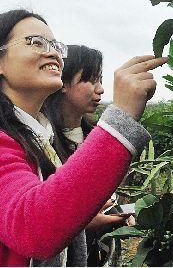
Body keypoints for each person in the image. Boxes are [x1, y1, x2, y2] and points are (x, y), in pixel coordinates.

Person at [0, 9, 167, 266]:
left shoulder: (38, 139)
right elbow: (33, 228)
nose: (53, 52)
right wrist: (121, 118)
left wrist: (82, 220)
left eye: (55, 45)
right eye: (35, 42)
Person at [43, 45, 127, 266]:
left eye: (100, 80)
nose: (100, 90)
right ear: (62, 82)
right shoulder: (42, 143)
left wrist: (114, 212)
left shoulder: (96, 138)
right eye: (90, 80)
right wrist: (82, 221)